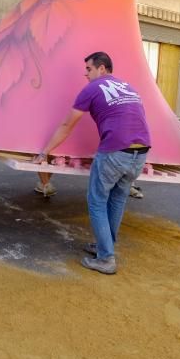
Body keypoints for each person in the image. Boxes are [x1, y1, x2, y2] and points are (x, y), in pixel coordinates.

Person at [36, 52, 150, 275]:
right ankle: (104, 247)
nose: (85, 73)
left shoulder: (93, 88)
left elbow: (67, 124)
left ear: (102, 69)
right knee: (116, 201)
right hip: (140, 152)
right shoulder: (128, 87)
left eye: (89, 69)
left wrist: (44, 151)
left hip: (115, 151)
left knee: (97, 201)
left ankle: (106, 258)